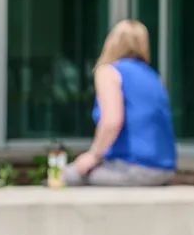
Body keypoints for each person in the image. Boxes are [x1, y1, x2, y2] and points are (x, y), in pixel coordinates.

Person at [66, 20, 177, 187]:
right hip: (164, 169)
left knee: (64, 177)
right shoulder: (153, 76)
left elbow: (112, 121)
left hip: (132, 167)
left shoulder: (109, 72)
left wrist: (93, 155)